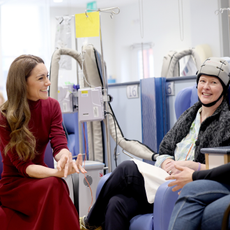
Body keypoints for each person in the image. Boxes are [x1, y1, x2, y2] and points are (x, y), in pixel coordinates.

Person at [80, 57, 230, 230]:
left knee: (127, 170)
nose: (206, 87)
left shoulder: (226, 121)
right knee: (116, 204)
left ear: (224, 88)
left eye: (213, 82)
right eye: (202, 81)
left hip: (187, 180)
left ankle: (90, 221)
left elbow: (220, 166)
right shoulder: (189, 115)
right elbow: (164, 150)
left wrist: (192, 166)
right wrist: (166, 162)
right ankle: (93, 221)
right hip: (164, 175)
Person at [0, 54, 86, 230]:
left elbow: (59, 143)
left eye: (47, 76)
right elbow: (25, 167)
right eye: (41, 78)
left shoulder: (52, 106)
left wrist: (65, 157)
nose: (48, 82)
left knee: (56, 185)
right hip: (15, 185)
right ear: (22, 84)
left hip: (41, 179)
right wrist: (57, 172)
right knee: (56, 184)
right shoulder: (4, 117)